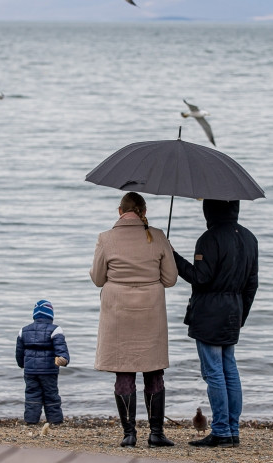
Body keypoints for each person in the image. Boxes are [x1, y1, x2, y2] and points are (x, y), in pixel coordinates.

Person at [90, 191, 178, 448]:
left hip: (118, 313)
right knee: (154, 371)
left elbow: (98, 279)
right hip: (151, 312)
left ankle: (129, 435)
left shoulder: (105, 238)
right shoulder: (158, 237)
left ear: (120, 211)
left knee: (124, 371)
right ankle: (156, 434)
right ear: (144, 212)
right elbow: (170, 279)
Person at [173, 199, 258, 448]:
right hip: (234, 311)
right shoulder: (250, 238)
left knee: (214, 373)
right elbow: (252, 284)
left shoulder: (209, 238)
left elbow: (201, 278)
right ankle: (232, 431)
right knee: (229, 370)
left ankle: (221, 431)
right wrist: (241, 316)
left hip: (210, 313)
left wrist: (173, 257)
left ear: (209, 209)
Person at [15, 299, 70, 425]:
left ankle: (31, 420)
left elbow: (19, 352)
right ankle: (55, 420)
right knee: (51, 394)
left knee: (32, 394)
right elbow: (61, 348)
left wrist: (21, 364)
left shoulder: (23, 331)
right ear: (50, 315)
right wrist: (64, 359)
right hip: (48, 370)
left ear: (34, 315)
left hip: (30, 371)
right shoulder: (55, 330)